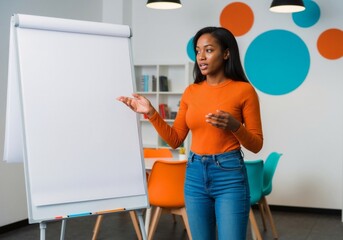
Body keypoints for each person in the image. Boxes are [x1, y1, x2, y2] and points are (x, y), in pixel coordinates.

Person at [117, 26, 263, 240]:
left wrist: (234, 126)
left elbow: (256, 144)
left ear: (226, 53)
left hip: (229, 175)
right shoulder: (191, 92)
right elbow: (175, 139)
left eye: (209, 50)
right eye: (198, 51)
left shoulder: (244, 91)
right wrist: (151, 112)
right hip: (195, 174)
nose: (201, 57)